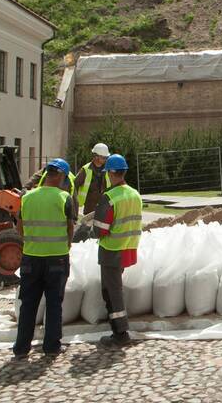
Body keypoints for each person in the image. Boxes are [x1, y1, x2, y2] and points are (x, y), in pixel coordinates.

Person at [12, 159, 76, 360]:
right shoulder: (64, 197)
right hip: (56, 257)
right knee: (54, 303)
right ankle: (51, 347)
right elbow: (70, 228)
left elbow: (19, 227)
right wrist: (65, 245)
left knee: (28, 303)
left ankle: (21, 348)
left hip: (31, 258)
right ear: (61, 176)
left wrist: (30, 243)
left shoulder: (27, 198)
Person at [93, 153, 142, 347]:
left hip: (111, 249)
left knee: (112, 292)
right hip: (128, 247)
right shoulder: (134, 194)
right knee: (115, 289)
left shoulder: (109, 197)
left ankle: (121, 333)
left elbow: (100, 230)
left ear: (111, 174)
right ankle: (119, 329)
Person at [73, 143, 111, 241]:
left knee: (100, 230)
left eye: (105, 158)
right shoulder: (86, 169)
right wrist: (74, 201)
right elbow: (74, 185)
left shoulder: (107, 170)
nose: (105, 160)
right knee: (87, 231)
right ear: (97, 157)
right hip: (90, 205)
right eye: (104, 158)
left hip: (103, 205)